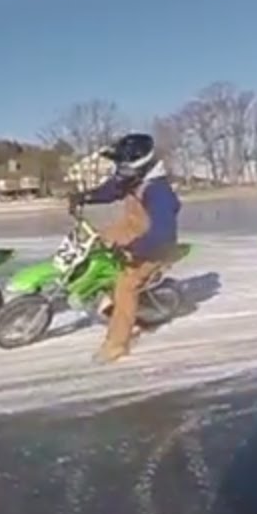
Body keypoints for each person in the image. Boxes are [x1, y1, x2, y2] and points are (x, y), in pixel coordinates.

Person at [69, 132, 181, 364]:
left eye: (123, 166)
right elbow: (113, 190)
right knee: (96, 245)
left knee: (125, 286)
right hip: (132, 232)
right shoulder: (134, 179)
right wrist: (85, 197)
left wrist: (134, 249)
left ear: (140, 163)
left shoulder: (158, 191)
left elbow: (162, 233)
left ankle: (117, 344)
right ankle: (113, 307)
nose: (120, 172)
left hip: (153, 246)